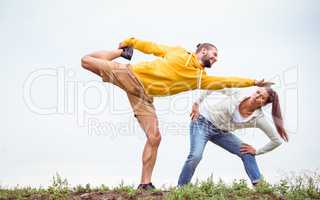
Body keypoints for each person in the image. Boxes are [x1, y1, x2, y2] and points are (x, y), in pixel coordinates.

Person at [81, 37, 272, 190]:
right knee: (86, 61)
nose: (215, 58)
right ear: (203, 51)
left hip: (143, 96)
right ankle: (121, 53)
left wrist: (253, 82)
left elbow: (226, 81)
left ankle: (144, 183)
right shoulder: (179, 53)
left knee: (155, 138)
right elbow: (153, 47)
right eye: (214, 54)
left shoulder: (200, 79)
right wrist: (131, 42)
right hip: (130, 75)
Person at [177, 87, 289, 186]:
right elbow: (214, 85)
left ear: (264, 104)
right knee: (196, 156)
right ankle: (181, 189)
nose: (257, 96)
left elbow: (277, 141)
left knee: (247, 153)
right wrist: (197, 103)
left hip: (221, 133)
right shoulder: (238, 94)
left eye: (262, 98)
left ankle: (260, 188)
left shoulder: (259, 118)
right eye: (258, 92)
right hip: (202, 123)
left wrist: (257, 151)